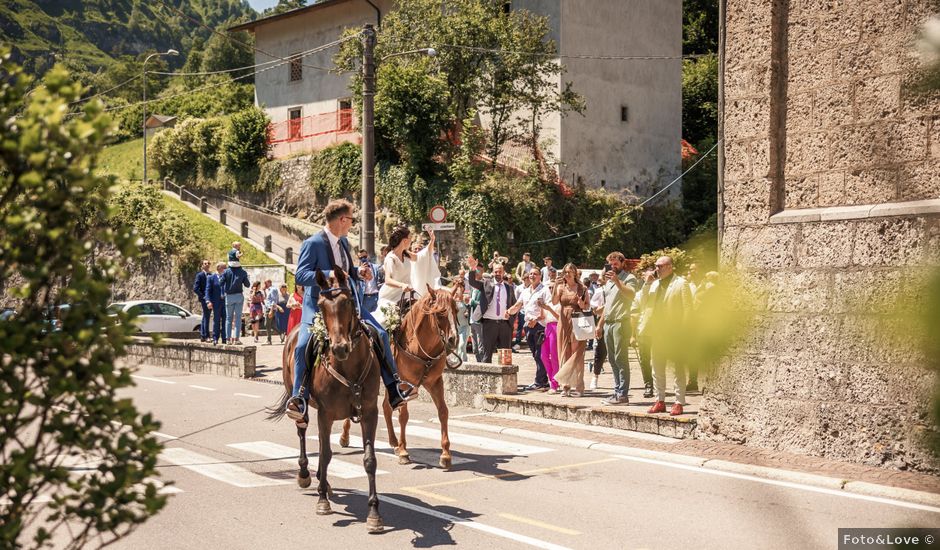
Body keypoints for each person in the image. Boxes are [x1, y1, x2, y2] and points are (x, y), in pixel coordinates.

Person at [287, 199, 413, 422]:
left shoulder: (344, 244)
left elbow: (347, 271)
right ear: (342, 220)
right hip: (319, 306)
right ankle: (299, 398)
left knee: (381, 334)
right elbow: (300, 275)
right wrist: (328, 275)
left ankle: (394, 389)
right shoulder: (313, 243)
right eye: (352, 220)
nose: (352, 224)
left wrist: (358, 272)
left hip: (347, 306)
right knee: (303, 345)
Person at [640, 256, 694, 416]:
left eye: (660, 266)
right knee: (656, 367)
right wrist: (647, 283)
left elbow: (688, 310)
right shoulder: (654, 284)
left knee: (677, 368)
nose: (657, 269)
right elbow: (643, 302)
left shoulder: (681, 283)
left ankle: (678, 402)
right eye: (656, 266)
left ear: (670, 266)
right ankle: (660, 400)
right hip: (657, 331)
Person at [595, 252, 639, 405]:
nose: (613, 266)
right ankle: (617, 392)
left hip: (621, 322)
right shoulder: (608, 282)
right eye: (610, 263)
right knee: (612, 360)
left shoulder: (629, 278)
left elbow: (631, 295)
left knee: (621, 359)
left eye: (615, 263)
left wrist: (618, 282)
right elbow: (608, 306)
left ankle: (623, 395)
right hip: (608, 323)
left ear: (622, 262)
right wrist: (600, 325)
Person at [373, 226, 438, 325]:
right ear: (404, 241)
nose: (411, 242)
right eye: (410, 239)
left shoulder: (406, 254)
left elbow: (422, 256)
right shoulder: (391, 258)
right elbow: (388, 280)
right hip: (391, 296)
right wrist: (402, 285)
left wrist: (432, 240)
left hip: (408, 294)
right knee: (386, 321)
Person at [550, 263, 590, 397]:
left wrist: (581, 304)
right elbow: (554, 302)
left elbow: (586, 307)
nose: (567, 274)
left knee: (576, 353)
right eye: (565, 272)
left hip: (577, 320)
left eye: (569, 272)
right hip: (563, 321)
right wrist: (555, 285)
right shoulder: (561, 287)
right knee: (564, 352)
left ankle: (579, 385)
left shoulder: (582, 288)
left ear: (574, 273)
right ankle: (565, 386)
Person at [508, 267, 549, 391]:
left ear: (540, 276)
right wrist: (509, 311)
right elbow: (518, 305)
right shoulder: (525, 291)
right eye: (530, 274)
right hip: (528, 325)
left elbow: (548, 308)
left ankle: (540, 381)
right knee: (535, 354)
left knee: (540, 354)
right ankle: (543, 381)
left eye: (535, 274)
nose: (532, 276)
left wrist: (536, 319)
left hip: (540, 325)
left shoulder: (545, 290)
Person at [467, 262, 516, 363]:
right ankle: (486, 377)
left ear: (504, 273)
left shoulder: (509, 287)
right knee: (487, 354)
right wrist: (472, 269)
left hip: (504, 325)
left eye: (500, 271)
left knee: (505, 356)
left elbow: (514, 305)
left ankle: (504, 378)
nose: (498, 273)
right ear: (493, 272)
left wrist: (511, 319)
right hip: (489, 324)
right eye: (496, 271)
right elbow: (472, 282)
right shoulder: (486, 283)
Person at [537, 267, 560, 392]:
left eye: (553, 287)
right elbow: (542, 317)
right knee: (543, 356)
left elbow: (560, 317)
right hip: (547, 328)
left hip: (556, 327)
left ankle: (555, 384)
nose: (551, 289)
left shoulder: (559, 302)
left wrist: (548, 308)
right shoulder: (547, 301)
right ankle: (552, 379)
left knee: (554, 356)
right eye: (549, 287)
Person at [221, 251, 250, 345]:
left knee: (228, 319)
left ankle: (228, 339)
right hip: (239, 296)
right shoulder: (242, 272)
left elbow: (220, 283)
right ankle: (236, 339)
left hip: (229, 297)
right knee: (238, 318)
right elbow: (247, 284)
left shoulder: (226, 271)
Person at [204, 262, 226, 345]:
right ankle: (215, 338)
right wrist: (208, 301)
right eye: (224, 267)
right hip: (216, 302)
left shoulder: (226, 277)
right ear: (219, 268)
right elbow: (208, 290)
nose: (226, 269)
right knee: (216, 320)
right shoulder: (211, 277)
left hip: (225, 302)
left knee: (225, 320)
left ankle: (224, 338)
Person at [452, 280, 471, 362]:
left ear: (463, 288)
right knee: (456, 347)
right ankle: (460, 362)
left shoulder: (465, 297)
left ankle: (462, 362)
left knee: (462, 345)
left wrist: (468, 311)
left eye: (461, 286)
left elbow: (470, 308)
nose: (459, 288)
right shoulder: (451, 298)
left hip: (464, 326)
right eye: (457, 286)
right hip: (455, 327)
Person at [193, 260, 211, 342]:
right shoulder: (199, 275)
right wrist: (203, 296)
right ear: (202, 266)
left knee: (205, 317)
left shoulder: (211, 275)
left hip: (211, 299)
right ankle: (206, 335)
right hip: (204, 299)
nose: (207, 265)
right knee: (206, 317)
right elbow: (195, 288)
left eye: (208, 263)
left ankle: (203, 335)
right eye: (205, 263)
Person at [358, 249, 381, 313]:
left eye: (364, 257)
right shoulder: (358, 271)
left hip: (376, 297)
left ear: (368, 256)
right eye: (361, 258)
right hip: (365, 298)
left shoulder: (376, 267)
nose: (363, 259)